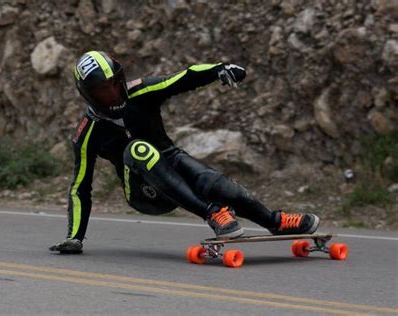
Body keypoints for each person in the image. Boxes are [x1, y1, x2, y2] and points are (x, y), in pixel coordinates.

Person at [50, 50, 320, 254]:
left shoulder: (141, 91)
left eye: (115, 83)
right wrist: (75, 237)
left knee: (214, 182)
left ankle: (274, 220)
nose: (113, 93)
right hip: (144, 193)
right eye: (103, 90)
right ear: (88, 95)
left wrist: (219, 70)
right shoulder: (87, 131)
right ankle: (213, 213)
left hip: (172, 163)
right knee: (138, 149)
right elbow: (80, 187)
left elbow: (182, 78)